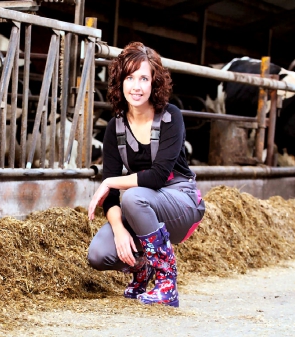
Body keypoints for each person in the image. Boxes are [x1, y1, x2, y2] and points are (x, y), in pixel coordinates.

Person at [87, 42, 205, 307]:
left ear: (155, 82)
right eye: (129, 77)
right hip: (143, 205)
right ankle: (143, 266)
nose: (136, 86)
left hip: (181, 202)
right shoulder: (114, 128)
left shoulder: (170, 117)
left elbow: (159, 176)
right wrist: (118, 230)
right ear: (120, 82)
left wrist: (109, 181)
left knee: (133, 197)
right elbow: (112, 198)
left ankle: (166, 282)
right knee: (98, 254)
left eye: (143, 78)